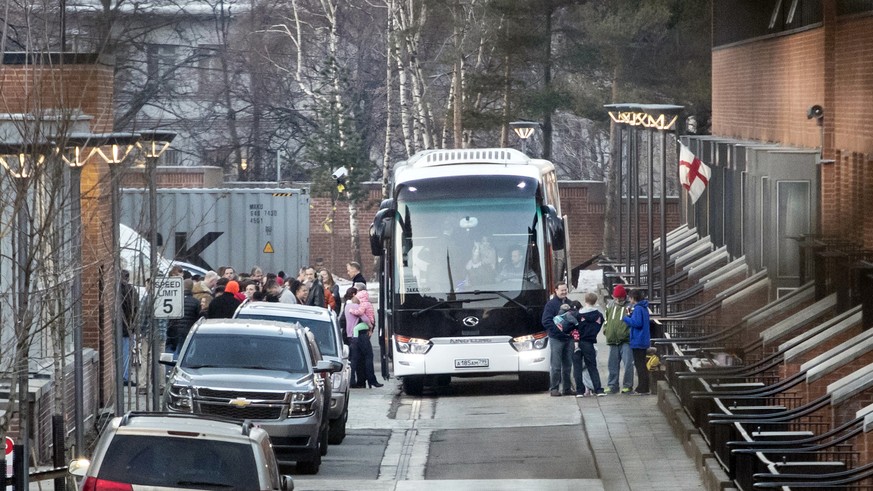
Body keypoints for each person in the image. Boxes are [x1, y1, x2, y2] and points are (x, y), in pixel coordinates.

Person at [541, 282, 573, 396]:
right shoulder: (550, 305)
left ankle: (567, 388)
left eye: (565, 290)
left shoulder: (570, 303)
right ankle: (554, 388)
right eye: (561, 290)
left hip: (569, 339)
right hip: (556, 339)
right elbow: (546, 321)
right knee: (556, 365)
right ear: (556, 290)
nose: (564, 292)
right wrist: (558, 331)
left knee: (568, 365)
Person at [572, 292, 606, 397]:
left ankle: (579, 391)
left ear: (585, 300)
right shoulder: (599, 316)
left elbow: (573, 328)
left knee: (577, 367)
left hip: (577, 342)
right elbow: (599, 325)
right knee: (592, 366)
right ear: (595, 301)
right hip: (589, 342)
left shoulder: (578, 315)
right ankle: (598, 389)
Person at [347, 288, 382, 388]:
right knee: (368, 356)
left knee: (355, 359)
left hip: (355, 335)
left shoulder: (355, 305)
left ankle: (355, 381)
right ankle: (371, 380)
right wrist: (370, 327)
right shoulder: (366, 304)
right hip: (361, 334)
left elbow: (360, 314)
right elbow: (365, 317)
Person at [604, 284, 634, 394]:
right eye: (615, 298)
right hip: (612, 339)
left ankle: (627, 385)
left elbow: (632, 320)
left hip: (626, 339)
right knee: (612, 364)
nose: (617, 300)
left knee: (628, 364)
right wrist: (606, 329)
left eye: (619, 298)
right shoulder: (610, 305)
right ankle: (612, 385)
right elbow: (606, 319)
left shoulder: (629, 306)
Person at [623, 289, 652, 395]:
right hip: (642, 339)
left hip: (638, 340)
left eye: (630, 297)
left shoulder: (638, 308)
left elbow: (637, 323)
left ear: (634, 298)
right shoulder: (643, 308)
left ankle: (642, 388)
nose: (629, 300)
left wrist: (626, 319)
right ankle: (644, 387)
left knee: (640, 366)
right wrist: (630, 315)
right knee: (642, 365)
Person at [166, 279, 202, 358]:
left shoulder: (175, 300)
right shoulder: (196, 302)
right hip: (189, 331)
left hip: (175, 331)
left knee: (176, 353)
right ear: (192, 288)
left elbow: (171, 317)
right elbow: (198, 318)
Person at [119, 269, 139, 386]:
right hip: (127, 327)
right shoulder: (131, 290)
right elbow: (135, 309)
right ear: (127, 278)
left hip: (117, 326)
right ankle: (125, 377)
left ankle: (121, 375)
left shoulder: (115, 291)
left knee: (119, 352)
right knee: (126, 352)